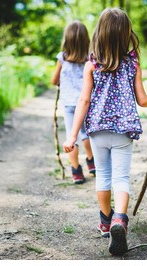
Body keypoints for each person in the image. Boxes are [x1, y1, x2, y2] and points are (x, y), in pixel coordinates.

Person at [63, 8, 147, 256]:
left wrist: (73, 135)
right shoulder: (132, 64)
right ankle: (120, 219)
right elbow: (142, 100)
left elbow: (83, 101)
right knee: (121, 177)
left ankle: (106, 222)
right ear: (125, 34)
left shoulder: (92, 65)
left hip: (96, 130)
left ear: (100, 34)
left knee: (103, 176)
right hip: (123, 130)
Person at [51, 21, 95, 184]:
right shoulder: (90, 59)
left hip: (69, 104)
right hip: (86, 102)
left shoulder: (62, 58)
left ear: (66, 40)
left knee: (72, 136)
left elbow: (54, 80)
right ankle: (91, 161)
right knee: (86, 133)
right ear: (86, 40)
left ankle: (76, 170)